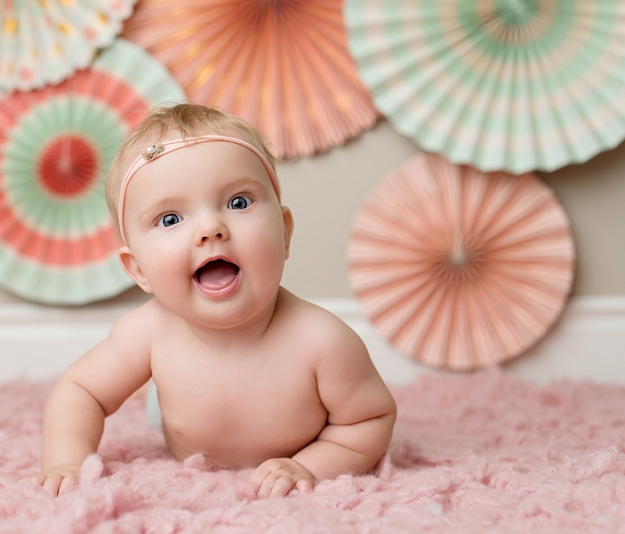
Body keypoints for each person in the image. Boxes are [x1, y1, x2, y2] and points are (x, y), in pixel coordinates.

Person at [26, 103, 396, 498]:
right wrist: (66, 459)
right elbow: (81, 389)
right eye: (170, 219)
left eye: (238, 202)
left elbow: (370, 419)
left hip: (296, 438)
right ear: (138, 270)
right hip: (177, 419)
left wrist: (309, 464)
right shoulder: (148, 332)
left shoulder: (323, 341)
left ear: (285, 233)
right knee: (150, 398)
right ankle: (158, 399)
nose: (210, 229)